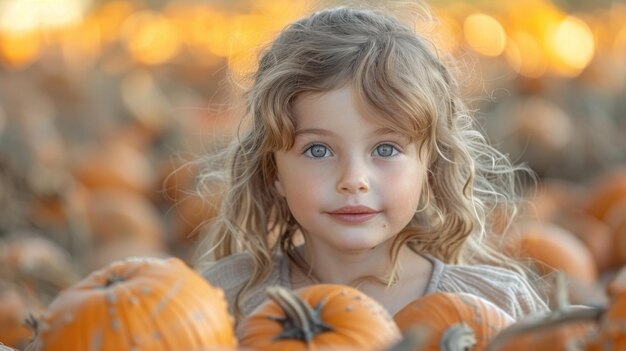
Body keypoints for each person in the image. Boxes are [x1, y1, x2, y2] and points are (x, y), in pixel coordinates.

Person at [193, 2, 548, 323]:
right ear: (274, 172)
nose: (354, 180)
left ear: (430, 167)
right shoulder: (228, 302)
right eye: (318, 150)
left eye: (386, 149)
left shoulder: (496, 305)